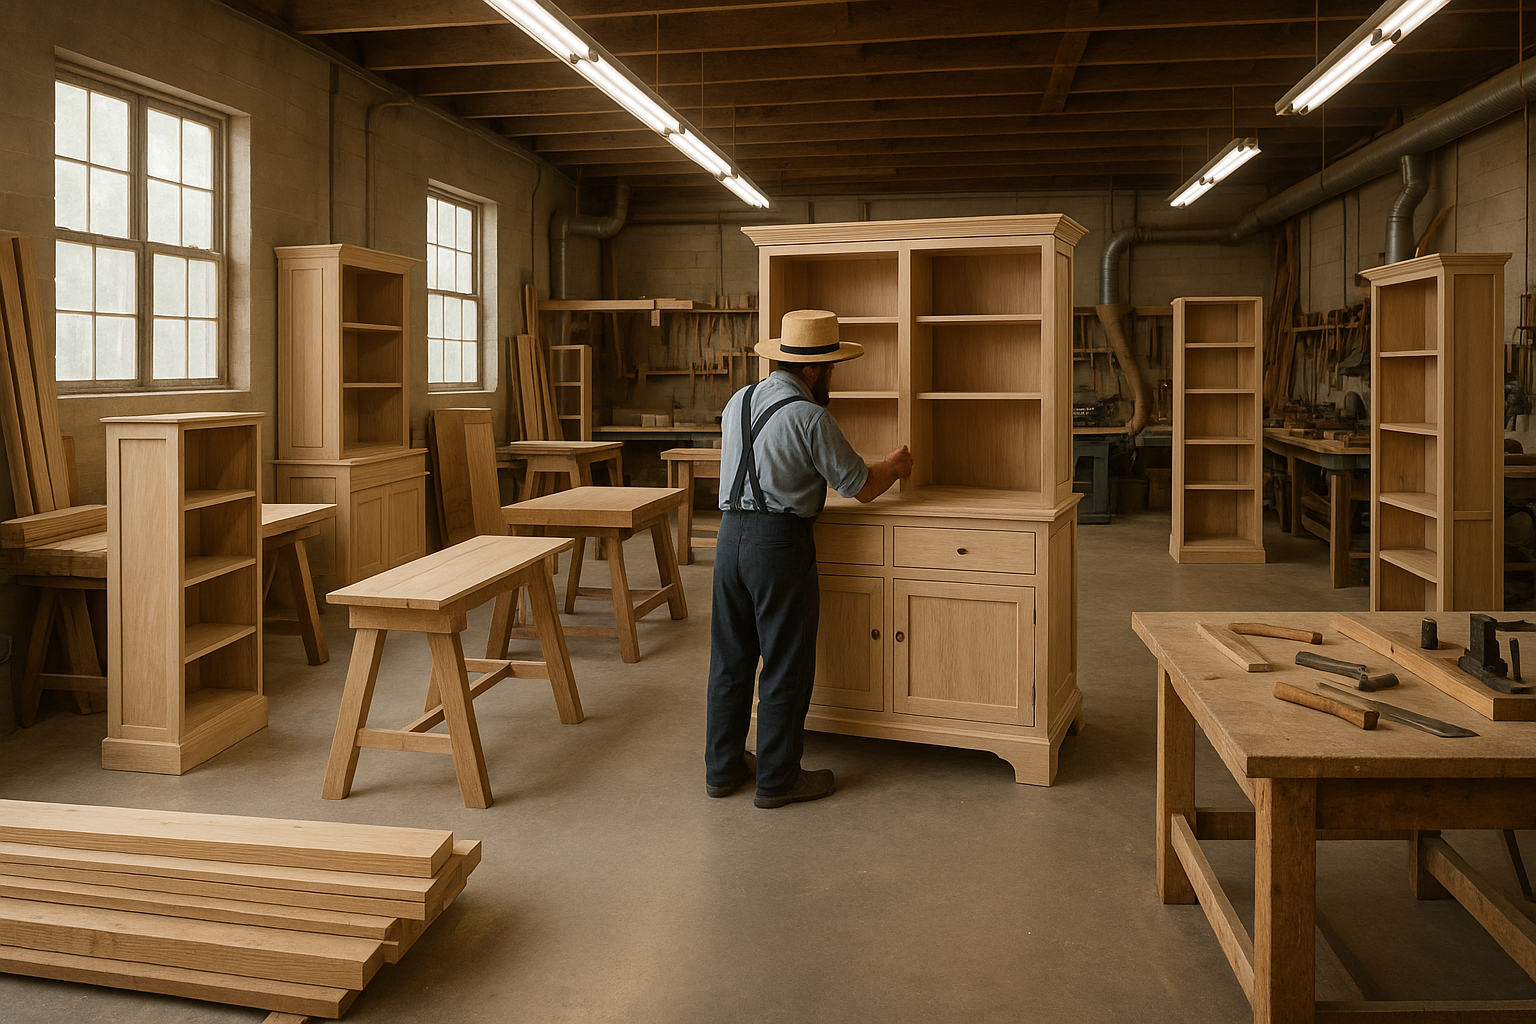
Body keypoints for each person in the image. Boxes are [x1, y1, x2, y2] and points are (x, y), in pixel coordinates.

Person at [704, 309, 914, 808]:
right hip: (777, 544)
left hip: (728, 538)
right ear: (814, 370)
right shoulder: (811, 415)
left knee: (730, 661)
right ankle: (778, 779)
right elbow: (860, 487)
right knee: (785, 663)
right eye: (832, 369)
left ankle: (723, 768)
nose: (832, 379)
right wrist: (895, 466)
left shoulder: (739, 400)